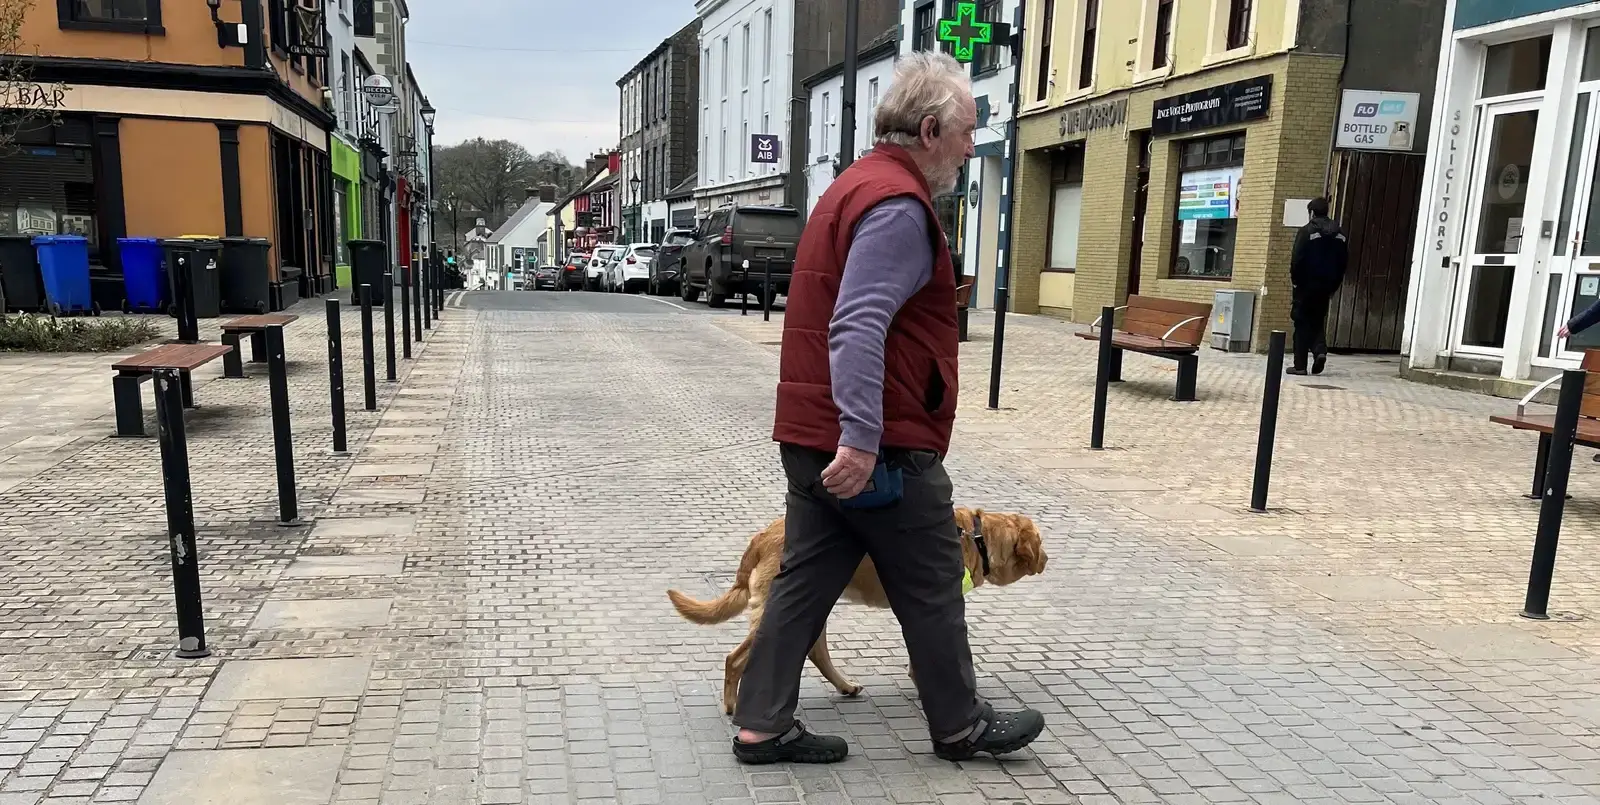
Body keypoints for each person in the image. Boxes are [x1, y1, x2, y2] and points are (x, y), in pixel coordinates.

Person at [730, 51, 1045, 766]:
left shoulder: (850, 187)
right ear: (930, 129)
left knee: (806, 576)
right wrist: (865, 439)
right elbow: (858, 322)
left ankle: (762, 723)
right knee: (936, 576)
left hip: (813, 434)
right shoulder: (898, 208)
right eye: (966, 131)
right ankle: (961, 724)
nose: (971, 146)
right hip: (877, 447)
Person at [1287, 197, 1348, 376]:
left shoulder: (1306, 232)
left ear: (1312, 212)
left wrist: (1296, 282)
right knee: (1317, 320)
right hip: (1326, 287)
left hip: (1306, 286)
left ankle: (1300, 366)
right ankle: (1320, 350)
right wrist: (1334, 285)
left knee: (1301, 322)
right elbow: (1343, 263)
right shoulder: (1341, 234)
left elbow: (1297, 260)